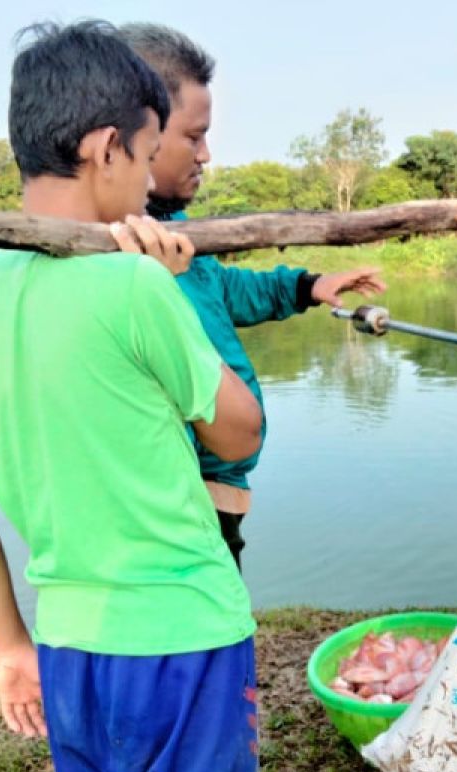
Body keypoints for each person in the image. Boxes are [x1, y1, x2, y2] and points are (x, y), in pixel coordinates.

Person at [0, 21, 263, 772]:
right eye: (146, 157)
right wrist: (176, 291)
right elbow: (239, 434)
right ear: (106, 148)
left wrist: (12, 647)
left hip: (68, 645)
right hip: (186, 639)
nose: (149, 184)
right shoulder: (137, 285)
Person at [116, 23, 387, 569]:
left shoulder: (175, 234)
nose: (206, 155)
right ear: (137, 134)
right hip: (181, 499)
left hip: (221, 492)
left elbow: (223, 290)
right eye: (193, 137)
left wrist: (307, 287)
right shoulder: (124, 256)